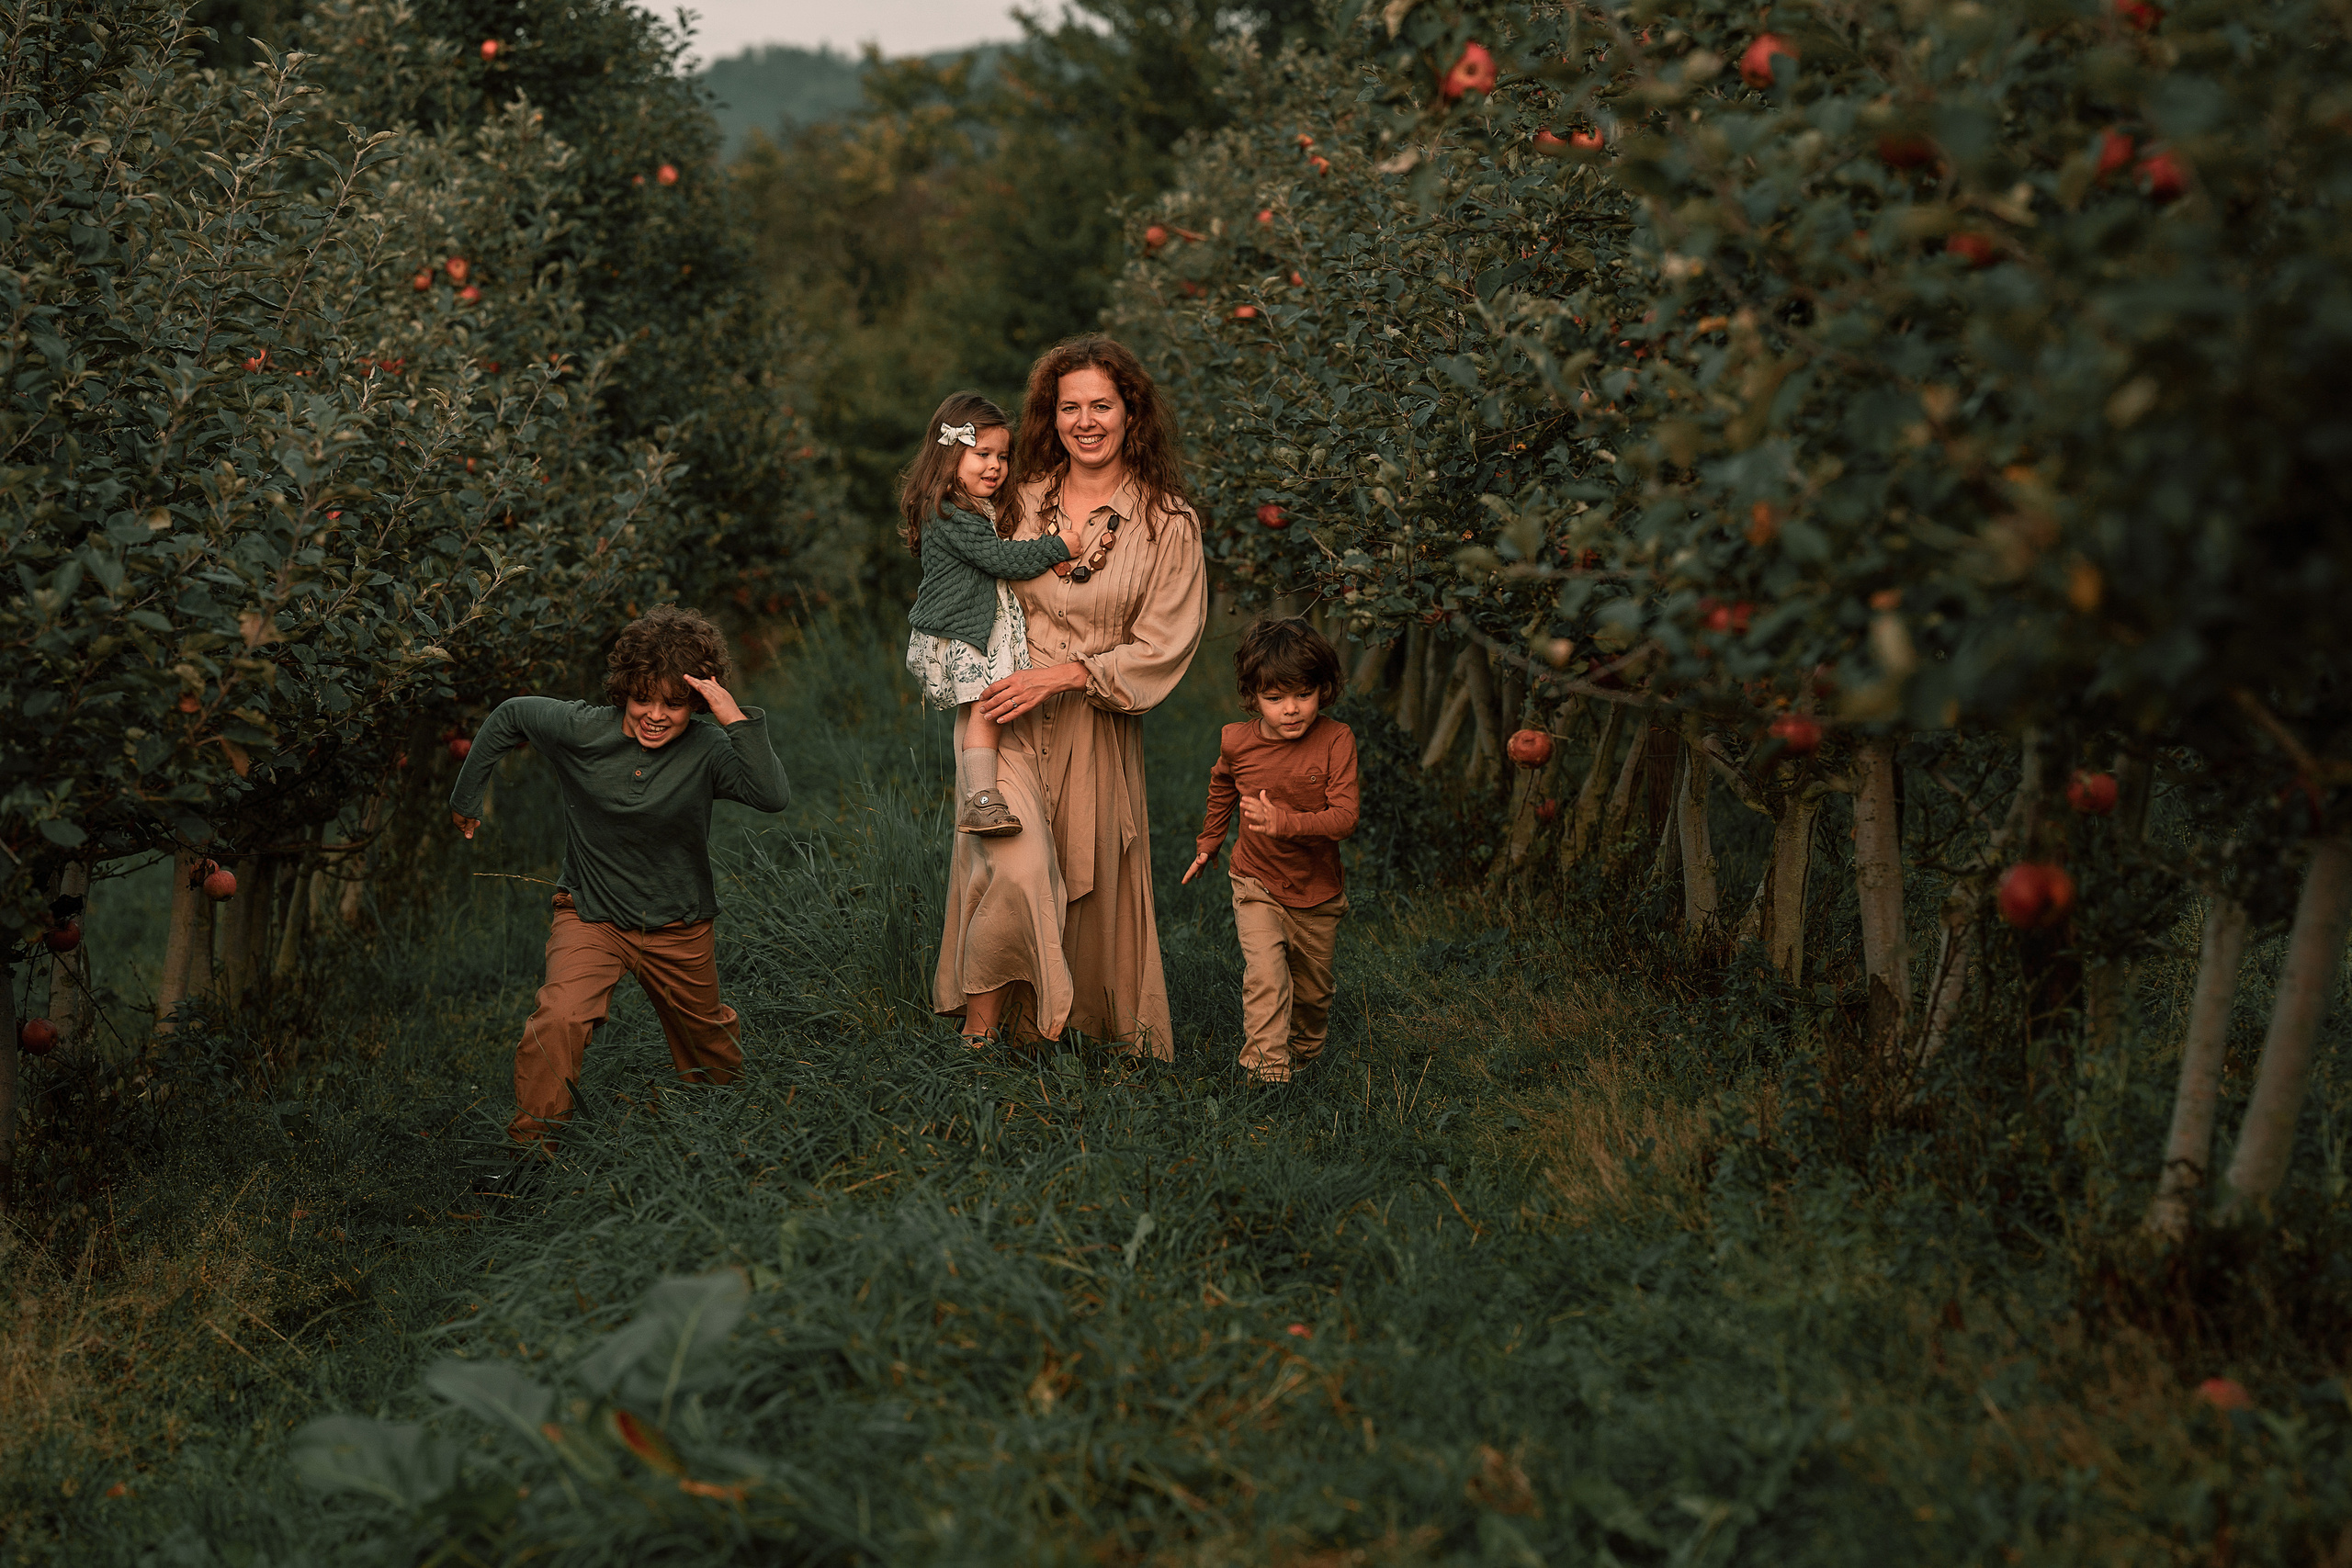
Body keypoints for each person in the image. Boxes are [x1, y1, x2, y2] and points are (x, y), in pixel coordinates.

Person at [936, 336, 1207, 1056]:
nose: (1085, 421)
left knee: (1083, 878)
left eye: (1101, 406)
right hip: (1002, 719)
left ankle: (1062, 1030)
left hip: (1094, 724)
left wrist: (1063, 675)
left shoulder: (1168, 524)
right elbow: (947, 549)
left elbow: (1163, 644)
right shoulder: (1015, 501)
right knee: (1015, 863)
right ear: (1050, 416)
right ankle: (978, 1037)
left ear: (1131, 413)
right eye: (1069, 407)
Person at [447, 606, 788, 1168]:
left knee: (709, 1048)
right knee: (559, 1016)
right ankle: (531, 1157)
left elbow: (771, 795)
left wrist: (732, 717)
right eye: (643, 699)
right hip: (592, 914)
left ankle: (731, 1139)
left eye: (674, 704)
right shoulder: (583, 730)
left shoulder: (706, 750)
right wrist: (466, 797)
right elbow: (511, 716)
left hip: (679, 924)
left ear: (697, 703)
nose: (655, 716)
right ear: (624, 690)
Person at [1182, 619, 1360, 1084]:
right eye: (1275, 698)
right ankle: (1266, 1074)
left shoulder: (1336, 740)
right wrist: (1210, 841)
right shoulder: (1237, 742)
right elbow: (1222, 784)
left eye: (1303, 694)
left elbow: (1345, 818)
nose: (1291, 709)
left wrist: (1285, 823)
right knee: (1266, 977)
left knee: (1313, 995)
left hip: (1316, 891)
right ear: (1253, 696)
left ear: (1323, 689)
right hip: (1255, 879)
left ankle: (1304, 1055)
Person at [900, 392, 1073, 836]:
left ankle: (978, 796)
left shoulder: (965, 506)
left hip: (970, 628)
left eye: (1002, 456)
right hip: (964, 632)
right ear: (950, 455)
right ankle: (982, 800)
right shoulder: (952, 512)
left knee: (980, 710)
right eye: (982, 454)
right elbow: (1000, 560)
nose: (995, 466)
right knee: (988, 708)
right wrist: (1058, 547)